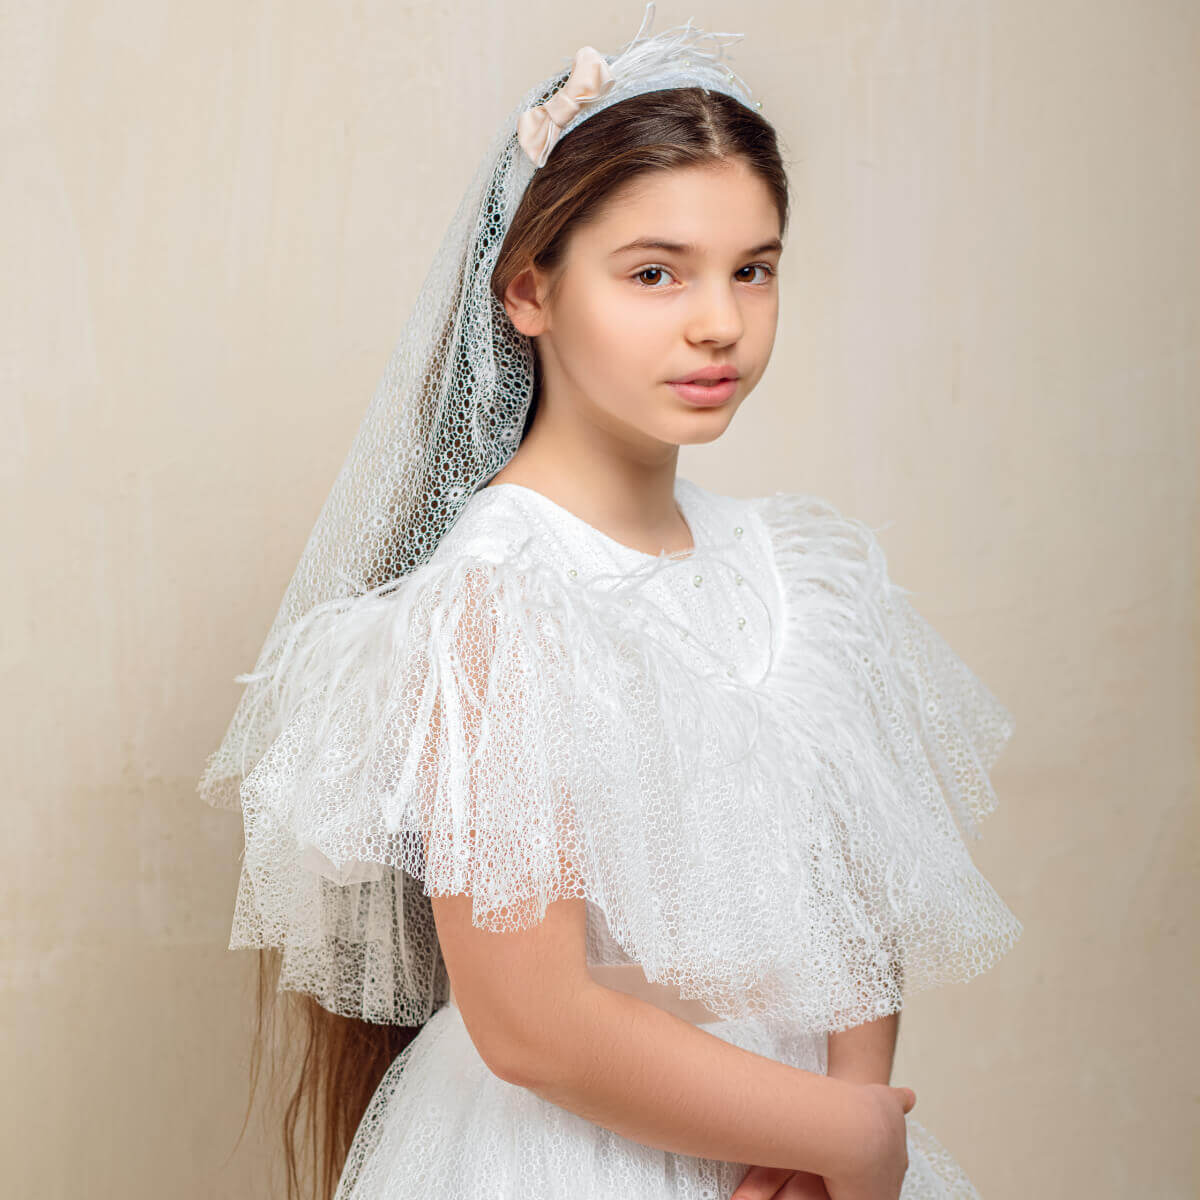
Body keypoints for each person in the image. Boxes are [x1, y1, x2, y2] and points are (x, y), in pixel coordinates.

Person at [198, 6, 1022, 1198]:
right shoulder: (498, 601)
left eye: (754, 270)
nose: (719, 323)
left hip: (805, 1146)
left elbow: (855, 906)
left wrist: (841, 1119)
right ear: (528, 292)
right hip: (575, 1156)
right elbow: (535, 1023)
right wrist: (847, 1140)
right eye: (654, 273)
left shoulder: (793, 572)